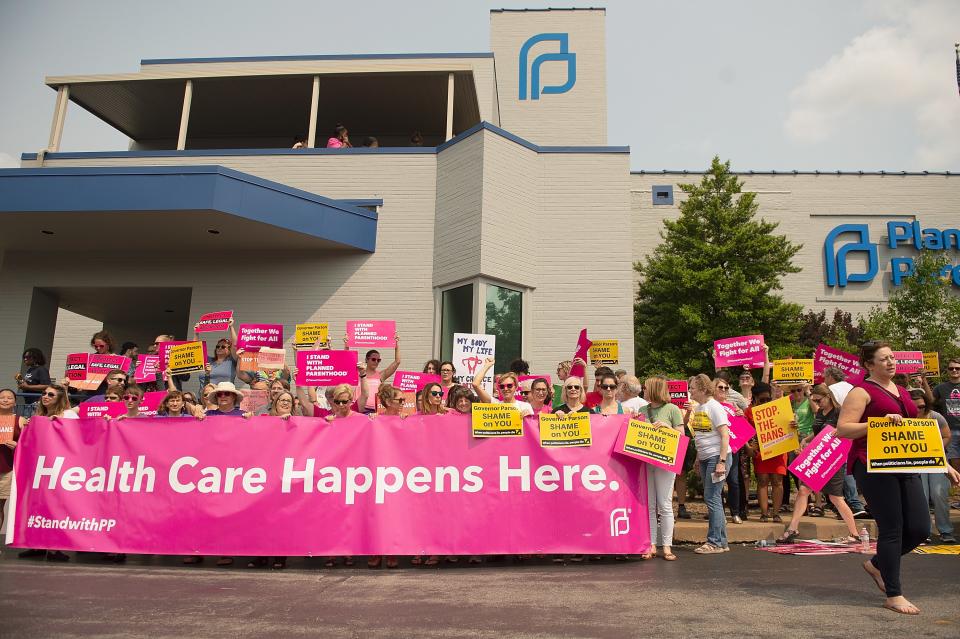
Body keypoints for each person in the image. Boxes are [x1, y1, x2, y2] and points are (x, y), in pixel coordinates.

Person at [838, 341, 960, 615]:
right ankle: (894, 594)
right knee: (892, 528)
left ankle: (877, 564)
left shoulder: (903, 391)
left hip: (904, 463)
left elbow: (918, 433)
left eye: (893, 357)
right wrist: (876, 424)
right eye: (884, 359)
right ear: (869, 365)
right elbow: (842, 430)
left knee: (919, 528)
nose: (891, 362)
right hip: (872, 465)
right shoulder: (861, 392)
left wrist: (942, 464)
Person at [777, 384, 860, 544]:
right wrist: (806, 440)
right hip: (819, 457)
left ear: (828, 396)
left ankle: (854, 533)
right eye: (814, 400)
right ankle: (792, 528)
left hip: (833, 458)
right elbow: (818, 432)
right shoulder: (821, 413)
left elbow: (849, 431)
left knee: (836, 497)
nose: (816, 403)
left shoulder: (840, 412)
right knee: (803, 490)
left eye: (819, 399)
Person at [18, 383, 75, 561]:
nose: (46, 396)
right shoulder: (38, 416)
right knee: (37, 506)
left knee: (57, 507)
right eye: (44, 393)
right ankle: (36, 545)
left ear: (60, 398)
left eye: (51, 394)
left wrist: (60, 424)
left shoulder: (68, 415)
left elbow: (76, 438)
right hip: (38, 466)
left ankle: (55, 547)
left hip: (60, 467)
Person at [636, 376, 684, 561]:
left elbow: (681, 435)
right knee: (650, 505)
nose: (643, 391)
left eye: (646, 388)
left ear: (655, 389)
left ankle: (667, 546)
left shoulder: (672, 409)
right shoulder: (642, 409)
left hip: (665, 461)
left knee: (664, 504)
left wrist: (666, 427)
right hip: (647, 461)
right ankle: (651, 544)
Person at [686, 373, 730, 554]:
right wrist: (698, 458)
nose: (690, 391)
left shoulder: (714, 407)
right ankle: (722, 542)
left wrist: (721, 462)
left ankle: (715, 542)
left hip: (716, 457)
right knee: (714, 499)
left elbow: (725, 435)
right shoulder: (701, 407)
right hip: (705, 457)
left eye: (693, 388)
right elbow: (701, 436)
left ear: (703, 389)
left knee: (712, 499)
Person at [910, 387, 956, 543]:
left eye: (922, 406)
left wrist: (935, 448)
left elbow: (947, 436)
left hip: (936, 460)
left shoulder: (936, 417)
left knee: (939, 493)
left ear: (927, 405)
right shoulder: (904, 418)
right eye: (914, 406)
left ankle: (946, 530)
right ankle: (925, 531)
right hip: (915, 462)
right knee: (921, 496)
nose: (918, 409)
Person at [744, 382, 786, 523]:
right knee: (762, 481)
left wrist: (793, 424)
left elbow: (787, 424)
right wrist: (751, 446)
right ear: (754, 398)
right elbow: (745, 432)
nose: (766, 402)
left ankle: (776, 513)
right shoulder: (749, 411)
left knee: (777, 481)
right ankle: (764, 513)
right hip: (760, 451)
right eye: (762, 400)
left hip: (778, 448)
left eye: (768, 399)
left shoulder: (778, 408)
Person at [714, 377, 743, 524]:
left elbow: (741, 428)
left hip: (733, 449)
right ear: (714, 389)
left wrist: (741, 416)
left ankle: (735, 513)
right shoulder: (711, 406)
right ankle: (721, 514)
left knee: (733, 481)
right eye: (721, 387)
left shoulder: (733, 406)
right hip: (716, 449)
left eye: (726, 388)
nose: (724, 390)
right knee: (718, 481)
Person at [350, 337, 400, 414]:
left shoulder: (381, 375)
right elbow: (346, 361)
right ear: (366, 359)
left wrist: (396, 343)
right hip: (359, 409)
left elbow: (397, 362)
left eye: (378, 360)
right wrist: (347, 344)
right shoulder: (358, 373)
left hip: (375, 410)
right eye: (373, 359)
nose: (376, 362)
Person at [932, 357, 960, 474]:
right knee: (955, 462)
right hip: (950, 431)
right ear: (947, 370)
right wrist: (923, 381)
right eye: (951, 368)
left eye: (957, 368)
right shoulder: (940, 388)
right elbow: (931, 403)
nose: (954, 370)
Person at [0, 389, 21, 533]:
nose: (5, 400)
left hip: (6, 468)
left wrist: (17, 445)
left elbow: (29, 444)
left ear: (14, 401)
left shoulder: (20, 420)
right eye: (2, 397)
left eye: (9, 398)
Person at [199, 319, 240, 388]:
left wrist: (231, 327)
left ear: (229, 350)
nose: (219, 348)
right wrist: (196, 333)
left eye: (223, 347)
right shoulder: (209, 360)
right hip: (204, 396)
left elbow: (235, 345)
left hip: (223, 395)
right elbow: (196, 350)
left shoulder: (232, 361)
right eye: (218, 346)